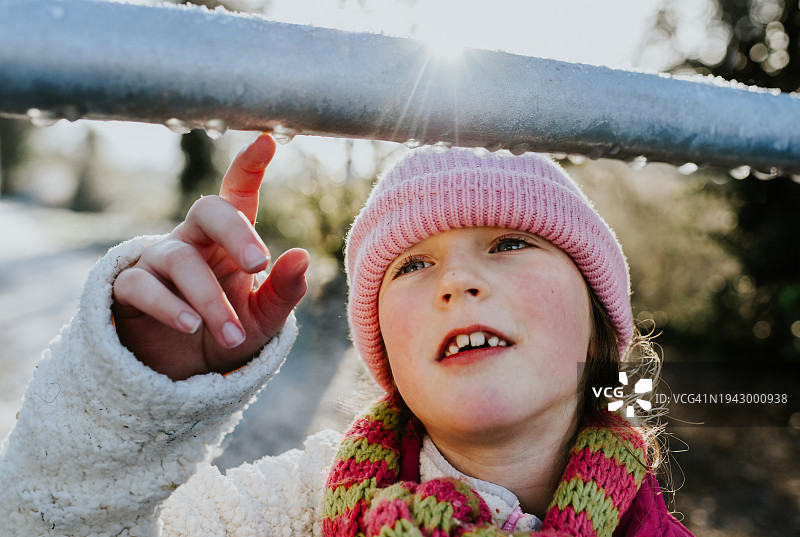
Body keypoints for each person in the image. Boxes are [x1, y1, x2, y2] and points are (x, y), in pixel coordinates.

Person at [0, 134, 694, 537]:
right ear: (386, 349)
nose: (456, 280)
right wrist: (129, 407)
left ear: (602, 326)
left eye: (510, 241)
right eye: (412, 265)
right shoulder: (294, 506)